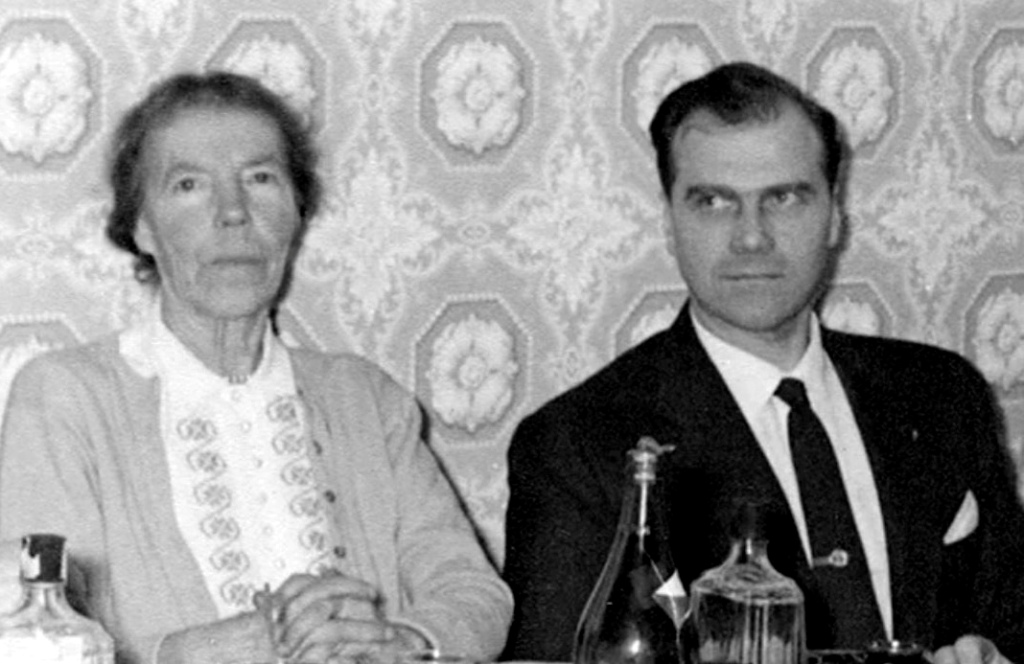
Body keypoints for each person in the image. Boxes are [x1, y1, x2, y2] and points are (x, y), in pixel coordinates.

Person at [501, 61, 1024, 664]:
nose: (752, 237)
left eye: (784, 197)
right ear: (669, 222)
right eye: (714, 202)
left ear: (835, 215)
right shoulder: (579, 447)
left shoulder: (942, 394)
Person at [0, 71, 512, 664]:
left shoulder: (364, 397)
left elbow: (475, 593)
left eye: (260, 178)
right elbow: (33, 636)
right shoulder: (66, 397)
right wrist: (185, 655)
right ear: (141, 227)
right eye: (189, 185)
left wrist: (400, 642)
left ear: (297, 212)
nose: (234, 212)